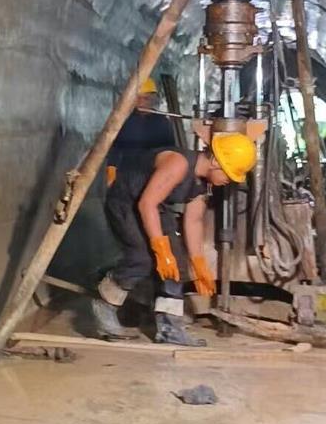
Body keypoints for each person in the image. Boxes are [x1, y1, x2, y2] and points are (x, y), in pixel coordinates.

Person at [92, 134, 258, 345]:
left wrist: (198, 263)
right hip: (125, 202)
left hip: (154, 206)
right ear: (216, 161)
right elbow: (146, 204)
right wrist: (160, 249)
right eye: (229, 172)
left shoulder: (203, 183)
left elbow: (194, 221)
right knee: (142, 258)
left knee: (177, 263)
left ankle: (170, 328)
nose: (230, 180)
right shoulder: (178, 164)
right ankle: (104, 305)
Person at [105, 77, 173, 186]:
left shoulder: (162, 122)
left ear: (153, 99)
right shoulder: (124, 120)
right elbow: (115, 147)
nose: (141, 102)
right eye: (137, 98)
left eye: (145, 98)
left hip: (151, 177)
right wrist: (111, 169)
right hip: (126, 176)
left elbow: (169, 151)